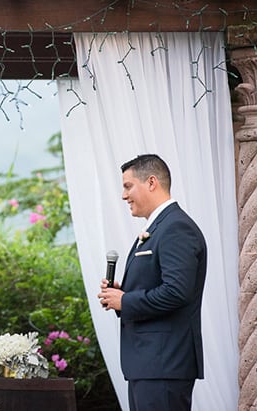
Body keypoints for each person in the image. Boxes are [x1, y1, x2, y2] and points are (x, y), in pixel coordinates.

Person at [97, 154, 207, 411]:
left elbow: (177, 291)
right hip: (149, 364)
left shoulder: (176, 227)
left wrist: (126, 301)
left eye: (128, 186)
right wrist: (120, 294)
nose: (124, 196)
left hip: (164, 363)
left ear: (152, 182)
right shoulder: (160, 227)